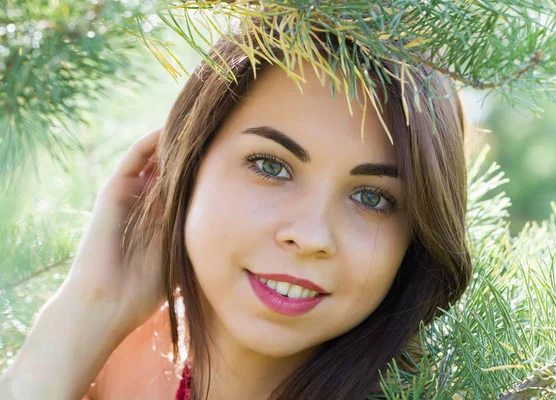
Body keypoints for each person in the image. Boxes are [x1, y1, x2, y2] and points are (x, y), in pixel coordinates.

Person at [0, 26, 472, 400]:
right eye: (271, 166)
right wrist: (89, 307)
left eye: (372, 197)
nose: (309, 236)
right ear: (184, 162)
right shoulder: (110, 361)